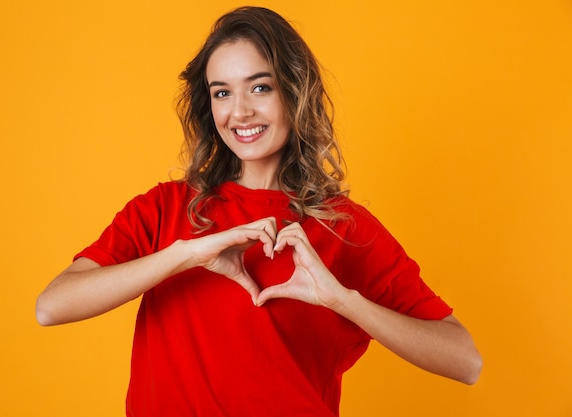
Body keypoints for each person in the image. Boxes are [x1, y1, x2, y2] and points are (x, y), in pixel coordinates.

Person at [36, 6, 482, 416]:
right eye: (222, 92)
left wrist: (343, 301)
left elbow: (465, 360)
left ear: (294, 91)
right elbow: (52, 306)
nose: (240, 111)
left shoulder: (344, 227)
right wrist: (184, 254)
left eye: (260, 87)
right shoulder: (166, 207)